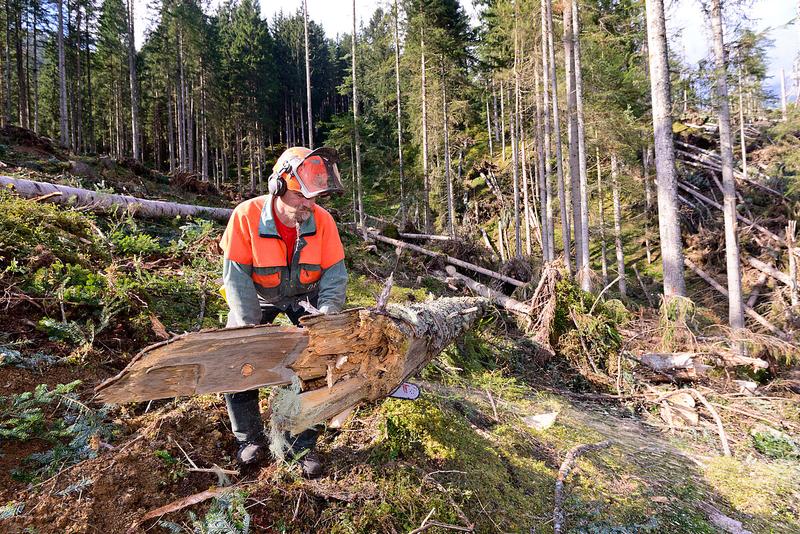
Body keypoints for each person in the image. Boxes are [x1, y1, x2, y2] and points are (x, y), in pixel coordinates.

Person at [219, 146, 348, 478]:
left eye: (313, 199)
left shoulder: (323, 222)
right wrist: (250, 331)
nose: (307, 205)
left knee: (321, 362)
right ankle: (250, 439)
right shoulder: (246, 216)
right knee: (238, 356)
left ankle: (301, 445)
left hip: (305, 295)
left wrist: (326, 317)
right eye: (299, 196)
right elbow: (236, 278)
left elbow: (335, 276)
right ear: (277, 187)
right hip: (259, 295)